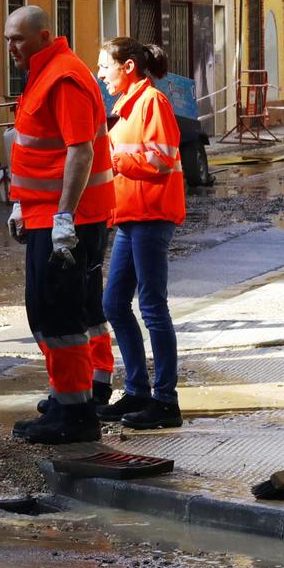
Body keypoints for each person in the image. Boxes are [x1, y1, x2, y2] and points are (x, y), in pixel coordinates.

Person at [2, 6, 115, 445]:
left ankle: (76, 415)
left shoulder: (63, 77)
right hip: (46, 215)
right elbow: (37, 151)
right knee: (49, 311)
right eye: (8, 39)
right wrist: (20, 204)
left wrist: (64, 215)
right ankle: (66, 402)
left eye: (18, 39)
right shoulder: (44, 72)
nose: (11, 47)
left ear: (44, 36)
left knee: (60, 314)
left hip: (67, 221)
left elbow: (79, 151)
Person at [97, 39, 186, 430]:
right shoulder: (127, 106)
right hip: (132, 216)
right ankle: (137, 391)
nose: (101, 74)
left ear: (127, 66)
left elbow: (161, 159)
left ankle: (165, 402)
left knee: (151, 306)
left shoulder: (152, 103)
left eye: (105, 66)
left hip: (152, 215)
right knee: (115, 303)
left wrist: (111, 159)